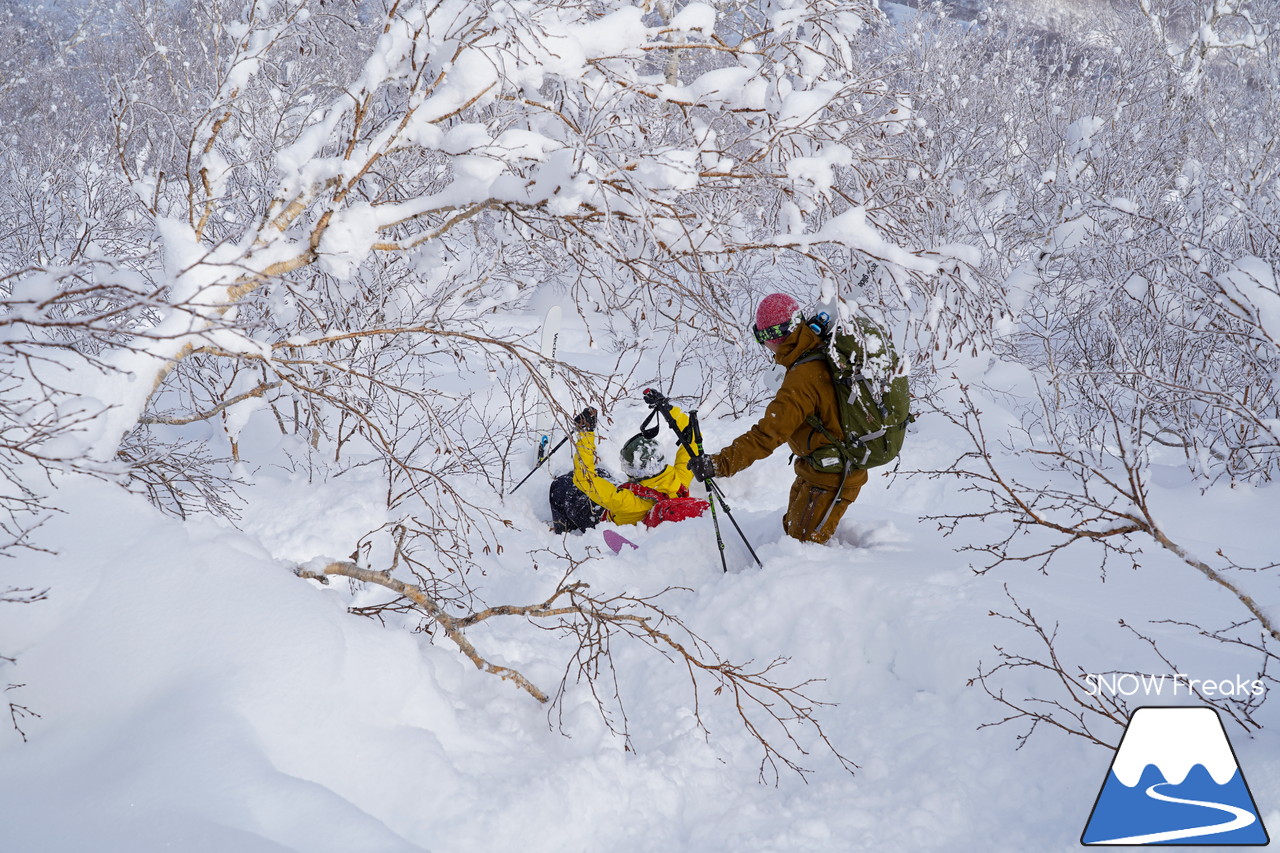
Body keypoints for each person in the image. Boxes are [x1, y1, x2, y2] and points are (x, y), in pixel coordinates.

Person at [686, 292, 867, 544]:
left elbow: (768, 434)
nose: (764, 346)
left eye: (762, 337)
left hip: (832, 476)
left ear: (775, 336)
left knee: (803, 546)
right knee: (793, 533)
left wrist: (719, 464)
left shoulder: (802, 379)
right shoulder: (815, 346)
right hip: (818, 469)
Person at [549, 397, 707, 534]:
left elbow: (584, 479)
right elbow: (693, 438)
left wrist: (585, 433)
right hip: (630, 500)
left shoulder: (627, 501)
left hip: (602, 515)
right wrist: (667, 409)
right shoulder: (679, 481)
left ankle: (564, 531)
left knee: (561, 486)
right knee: (601, 473)